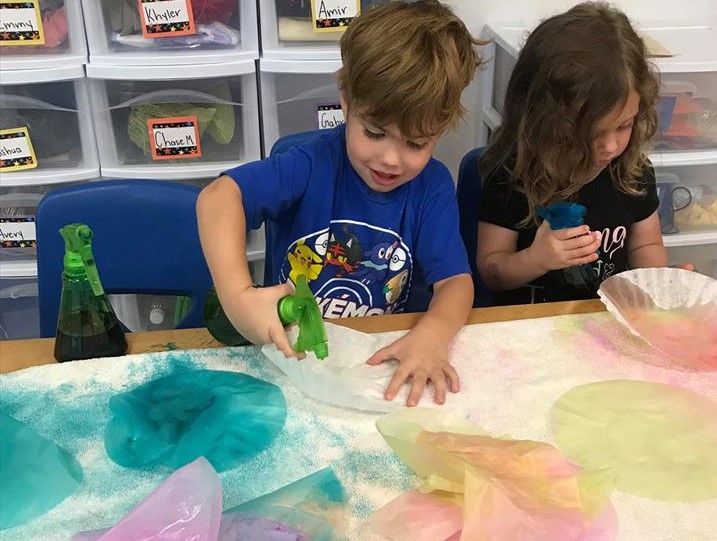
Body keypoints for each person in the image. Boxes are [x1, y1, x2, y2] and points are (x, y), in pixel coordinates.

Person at [197, 0, 484, 406]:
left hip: (374, 358)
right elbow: (218, 198)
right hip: (290, 355)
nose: (390, 159)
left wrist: (434, 333)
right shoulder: (311, 165)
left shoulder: (432, 187)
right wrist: (239, 297)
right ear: (346, 100)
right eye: (375, 132)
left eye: (416, 143)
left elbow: (455, 282)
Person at [475, 1, 687, 306]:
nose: (611, 146)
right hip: (530, 327)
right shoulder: (511, 175)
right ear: (543, 120)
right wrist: (537, 258)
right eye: (592, 133)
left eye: (624, 125)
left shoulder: (632, 171)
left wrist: (659, 285)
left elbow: (647, 245)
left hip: (609, 323)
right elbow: (492, 272)